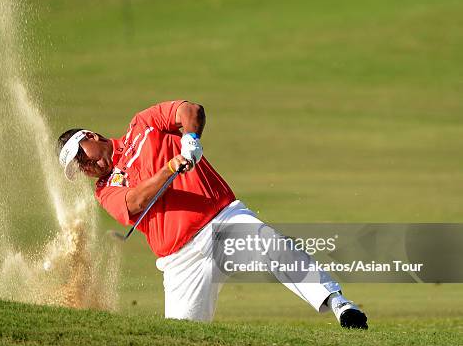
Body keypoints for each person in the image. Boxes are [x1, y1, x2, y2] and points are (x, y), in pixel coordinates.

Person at [57, 100, 368, 329]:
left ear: (91, 136)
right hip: (180, 260)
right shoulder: (103, 189)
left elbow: (189, 110)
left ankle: (339, 305)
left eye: (82, 156)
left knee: (274, 246)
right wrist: (169, 168)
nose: (85, 166)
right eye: (79, 167)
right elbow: (135, 202)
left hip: (221, 221)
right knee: (181, 341)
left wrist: (190, 140)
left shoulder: (142, 124)